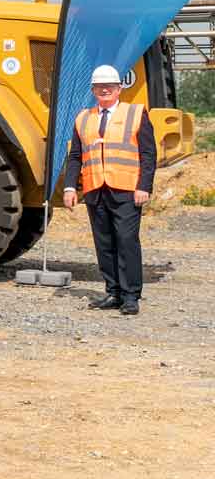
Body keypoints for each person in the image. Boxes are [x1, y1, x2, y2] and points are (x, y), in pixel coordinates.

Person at [63, 64, 157, 316]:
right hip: (95, 189)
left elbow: (148, 154)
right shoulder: (83, 118)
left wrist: (144, 186)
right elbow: (75, 156)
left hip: (126, 189)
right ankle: (113, 292)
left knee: (126, 241)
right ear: (93, 90)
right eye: (99, 87)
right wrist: (70, 187)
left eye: (109, 86)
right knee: (104, 243)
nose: (104, 90)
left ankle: (130, 296)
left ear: (119, 89)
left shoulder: (135, 113)